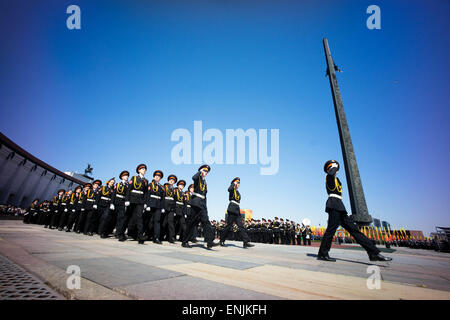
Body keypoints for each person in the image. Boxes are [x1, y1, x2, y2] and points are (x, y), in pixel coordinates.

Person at [317, 160, 392, 262]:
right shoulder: (329, 178)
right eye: (334, 168)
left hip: (340, 207)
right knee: (331, 230)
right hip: (333, 205)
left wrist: (335, 167)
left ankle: (374, 253)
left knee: (354, 230)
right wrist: (334, 166)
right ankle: (322, 254)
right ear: (329, 169)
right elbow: (331, 173)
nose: (336, 170)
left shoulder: (336, 179)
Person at [182, 165, 219, 249]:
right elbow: (193, 177)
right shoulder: (197, 179)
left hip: (202, 204)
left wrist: (205, 207)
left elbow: (204, 195)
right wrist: (200, 172)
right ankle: (185, 241)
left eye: (206, 172)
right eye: (204, 171)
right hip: (195, 203)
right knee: (191, 223)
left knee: (206, 222)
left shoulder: (204, 182)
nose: (205, 173)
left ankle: (210, 242)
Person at [219, 177, 253, 248]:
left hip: (237, 210)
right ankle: (222, 240)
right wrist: (233, 183)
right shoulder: (232, 190)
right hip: (232, 209)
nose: (238, 184)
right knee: (228, 226)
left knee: (241, 226)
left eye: (239, 183)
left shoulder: (237, 192)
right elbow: (229, 189)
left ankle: (245, 242)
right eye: (237, 183)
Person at [126, 164, 149, 244]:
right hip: (132, 199)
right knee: (130, 217)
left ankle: (140, 236)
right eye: (142, 169)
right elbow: (129, 189)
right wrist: (127, 200)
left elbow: (146, 193)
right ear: (139, 170)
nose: (144, 170)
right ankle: (123, 233)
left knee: (139, 218)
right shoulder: (134, 178)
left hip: (140, 201)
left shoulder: (146, 180)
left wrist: (145, 203)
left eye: (145, 169)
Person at [146, 170, 165, 244]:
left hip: (158, 205)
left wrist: (162, 207)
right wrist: (147, 204)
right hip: (151, 204)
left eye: (159, 177)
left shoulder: (161, 187)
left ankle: (156, 237)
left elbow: (163, 198)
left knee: (157, 221)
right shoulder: (150, 185)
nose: (157, 177)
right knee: (149, 221)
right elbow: (147, 195)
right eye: (156, 176)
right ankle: (148, 235)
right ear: (154, 177)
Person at [114, 170, 131, 242]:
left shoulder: (128, 185)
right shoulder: (117, 184)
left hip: (123, 203)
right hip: (115, 202)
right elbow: (113, 194)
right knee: (112, 218)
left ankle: (118, 233)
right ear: (122, 177)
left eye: (127, 176)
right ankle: (104, 231)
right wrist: (112, 203)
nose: (126, 177)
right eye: (125, 176)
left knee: (121, 218)